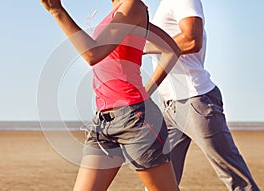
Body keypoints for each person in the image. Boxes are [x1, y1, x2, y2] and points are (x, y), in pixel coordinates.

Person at [40, 0, 182, 190]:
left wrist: (57, 11)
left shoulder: (133, 5)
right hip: (103, 122)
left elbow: (93, 53)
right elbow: (171, 48)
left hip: (134, 119)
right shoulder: (119, 13)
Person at [144, 0, 260, 190]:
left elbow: (191, 40)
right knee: (160, 182)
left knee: (238, 182)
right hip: (170, 106)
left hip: (194, 100)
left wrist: (145, 47)